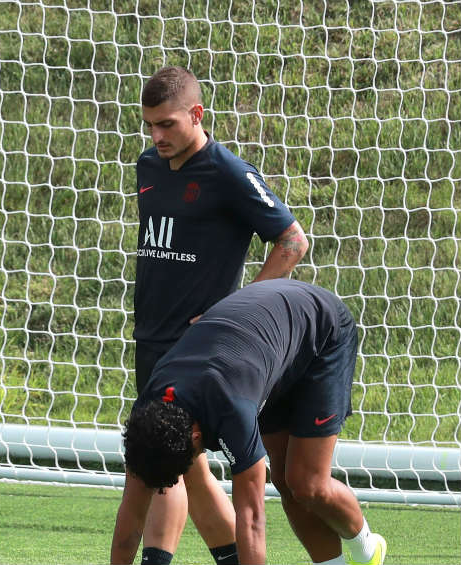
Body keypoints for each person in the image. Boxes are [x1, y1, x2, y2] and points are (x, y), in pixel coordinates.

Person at [130, 65, 309, 564]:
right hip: (150, 335)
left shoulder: (228, 172)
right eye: (150, 125)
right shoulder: (148, 166)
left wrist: (232, 313)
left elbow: (292, 241)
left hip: (198, 350)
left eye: (167, 124)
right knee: (185, 466)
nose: (157, 135)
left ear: (197, 114)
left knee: (162, 461)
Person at [111, 279, 387, 565]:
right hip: (262, 347)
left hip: (321, 329)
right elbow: (130, 522)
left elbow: (251, 519)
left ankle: (366, 550)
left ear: (195, 437)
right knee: (283, 479)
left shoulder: (232, 412)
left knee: (306, 483)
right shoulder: (146, 423)